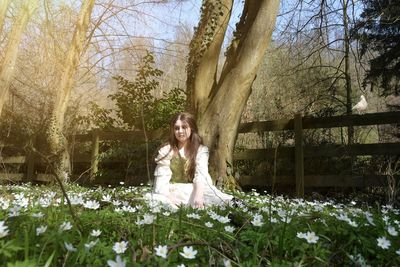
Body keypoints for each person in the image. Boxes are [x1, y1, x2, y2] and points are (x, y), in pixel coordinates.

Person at [147, 112, 233, 208]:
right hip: (173, 191)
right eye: (176, 128)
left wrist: (198, 196)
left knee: (216, 197)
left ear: (191, 128)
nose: (180, 131)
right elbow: (161, 182)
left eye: (184, 127)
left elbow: (201, 176)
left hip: (196, 189)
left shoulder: (201, 150)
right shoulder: (166, 151)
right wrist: (169, 198)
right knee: (155, 199)